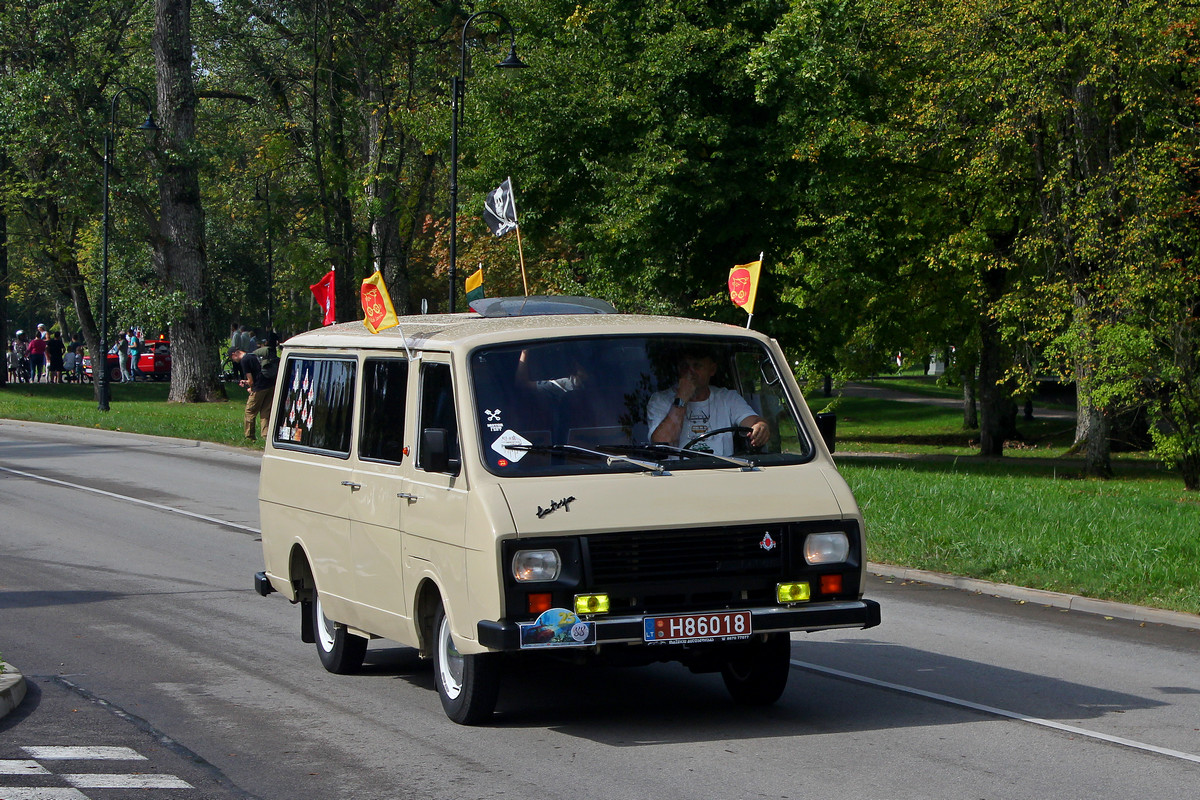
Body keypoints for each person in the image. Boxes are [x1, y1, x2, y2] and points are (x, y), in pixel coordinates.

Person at [646, 349, 769, 456]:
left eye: (697, 366)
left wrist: (760, 428)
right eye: (685, 366)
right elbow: (662, 443)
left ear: (712, 370)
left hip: (723, 473)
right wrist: (681, 398)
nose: (690, 372)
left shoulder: (728, 398)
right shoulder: (660, 400)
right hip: (678, 475)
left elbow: (754, 422)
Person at [229, 346, 276, 440]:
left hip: (258, 388)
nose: (233, 361)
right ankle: (265, 435)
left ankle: (249, 436)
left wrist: (251, 388)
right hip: (270, 385)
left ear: (234, 354)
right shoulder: (253, 355)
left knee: (250, 411)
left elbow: (250, 380)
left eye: (232, 358)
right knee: (265, 411)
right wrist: (246, 382)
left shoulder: (244, 361)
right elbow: (257, 373)